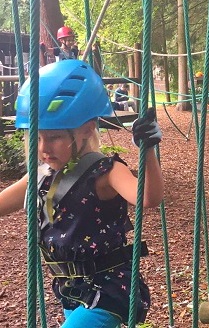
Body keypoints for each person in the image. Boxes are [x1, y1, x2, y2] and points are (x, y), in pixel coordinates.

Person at [0, 60, 164, 327]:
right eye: (37, 137)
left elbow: (148, 198)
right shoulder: (41, 174)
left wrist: (147, 151)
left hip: (110, 291)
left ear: (87, 129)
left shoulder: (105, 172)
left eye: (54, 137)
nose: (43, 147)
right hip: (71, 290)